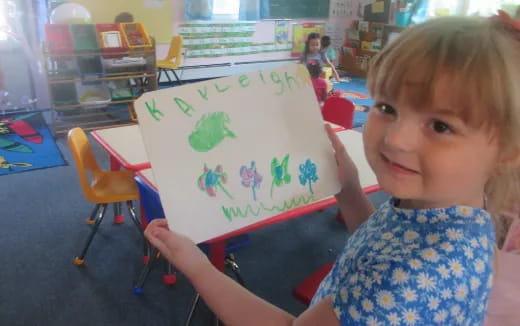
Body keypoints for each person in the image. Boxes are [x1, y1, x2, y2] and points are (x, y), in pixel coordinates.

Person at [144, 13, 520, 326]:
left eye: (440, 126)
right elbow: (378, 240)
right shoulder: (446, 212)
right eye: (387, 107)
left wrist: (197, 265)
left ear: (508, 152)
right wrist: (350, 191)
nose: (396, 138)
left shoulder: (401, 282)